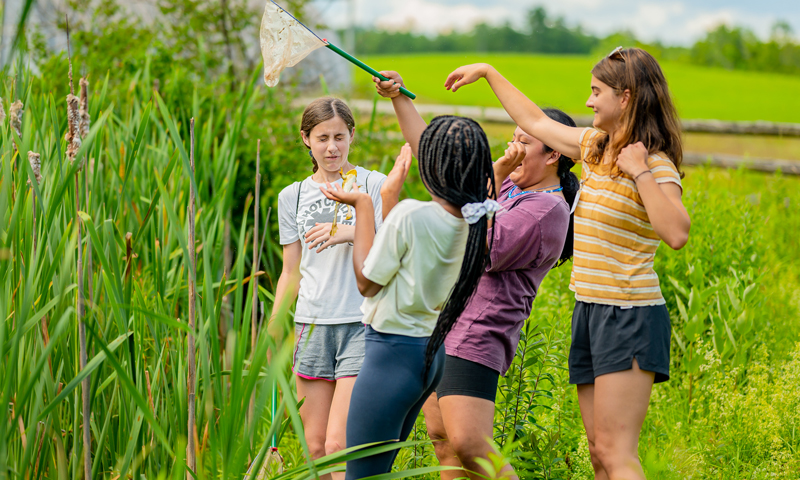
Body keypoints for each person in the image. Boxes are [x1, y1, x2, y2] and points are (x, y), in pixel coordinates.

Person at [443, 48, 691, 480]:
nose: (590, 101)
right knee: (598, 453)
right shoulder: (595, 148)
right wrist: (489, 72)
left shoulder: (654, 164)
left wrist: (640, 172)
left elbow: (676, 232)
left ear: (626, 98)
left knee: (617, 454)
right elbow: (536, 123)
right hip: (590, 308)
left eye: (597, 92)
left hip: (629, 313)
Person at [373, 72, 579, 480]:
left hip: (478, 334)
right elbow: (440, 167)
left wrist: (495, 176)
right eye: (513, 139)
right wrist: (399, 99)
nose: (512, 148)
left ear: (553, 154)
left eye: (523, 142)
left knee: (470, 443)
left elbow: (479, 243)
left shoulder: (546, 211)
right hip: (443, 326)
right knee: (443, 441)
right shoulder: (513, 191)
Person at [320, 115, 498, 480]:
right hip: (429, 358)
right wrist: (387, 198)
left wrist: (365, 207)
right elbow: (405, 258)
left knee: (361, 477)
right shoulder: (476, 222)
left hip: (390, 356)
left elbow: (367, 282)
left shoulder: (412, 215)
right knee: (379, 473)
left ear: (431, 165)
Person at [272, 97, 386, 480]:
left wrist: (349, 231)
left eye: (340, 136)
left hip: (360, 323)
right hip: (311, 325)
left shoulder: (373, 184)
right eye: (322, 138)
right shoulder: (293, 195)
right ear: (306, 139)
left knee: (340, 444)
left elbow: (392, 244)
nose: (332, 147)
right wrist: (274, 325)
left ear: (352, 135)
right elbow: (291, 271)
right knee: (316, 447)